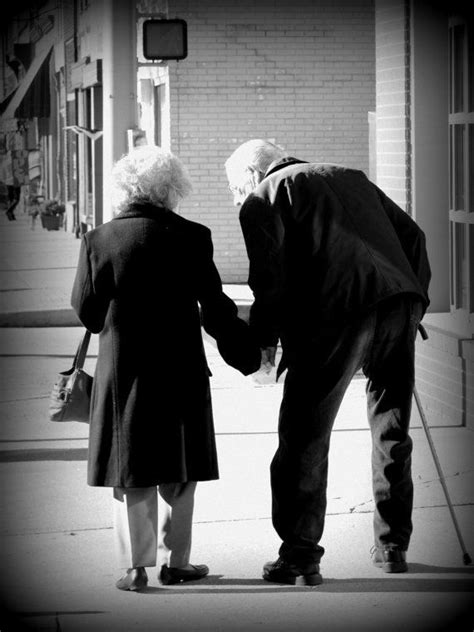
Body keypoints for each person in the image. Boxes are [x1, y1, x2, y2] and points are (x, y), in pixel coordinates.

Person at [225, 139, 431, 586]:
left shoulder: (263, 196)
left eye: (232, 189)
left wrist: (263, 345)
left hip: (336, 316)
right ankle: (392, 545)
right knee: (392, 430)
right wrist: (416, 300)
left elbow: (268, 281)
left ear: (248, 176)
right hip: (399, 304)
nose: (235, 199)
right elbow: (414, 236)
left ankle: (300, 558)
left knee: (304, 437)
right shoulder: (349, 175)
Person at [71, 145, 260, 591]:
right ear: (172, 189)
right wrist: (247, 356)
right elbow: (215, 309)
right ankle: (178, 562)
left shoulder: (100, 241)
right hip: (181, 369)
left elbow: (87, 311)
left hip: (124, 373)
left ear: (123, 188)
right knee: (181, 467)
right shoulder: (193, 236)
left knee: (130, 468)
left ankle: (136, 569)